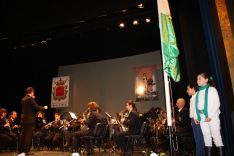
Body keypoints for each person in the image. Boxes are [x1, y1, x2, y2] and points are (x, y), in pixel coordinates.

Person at [193, 73, 224, 156]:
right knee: (206, 138)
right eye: (197, 79)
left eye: (200, 78)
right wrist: (196, 117)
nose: (198, 81)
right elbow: (196, 106)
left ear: (206, 80)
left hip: (213, 117)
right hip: (202, 118)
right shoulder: (197, 93)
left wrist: (210, 116)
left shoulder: (212, 90)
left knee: (216, 137)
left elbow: (217, 104)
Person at [18, 87, 48, 156]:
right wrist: (44, 107)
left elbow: (29, 106)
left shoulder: (23, 99)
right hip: (29, 120)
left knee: (23, 136)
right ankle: (26, 151)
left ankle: (21, 151)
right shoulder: (30, 99)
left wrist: (33, 98)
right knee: (28, 136)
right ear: (31, 92)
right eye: (33, 92)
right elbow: (36, 107)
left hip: (23, 120)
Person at [187, 83, 205, 156]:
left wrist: (195, 118)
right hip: (194, 120)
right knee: (198, 140)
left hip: (197, 120)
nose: (187, 91)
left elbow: (198, 108)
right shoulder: (193, 97)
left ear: (193, 89)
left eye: (188, 89)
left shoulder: (198, 96)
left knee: (199, 140)